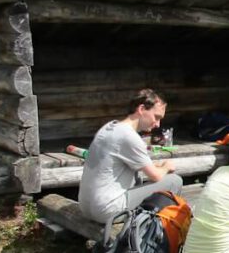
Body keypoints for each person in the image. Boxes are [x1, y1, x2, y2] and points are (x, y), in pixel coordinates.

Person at [78, 89, 181, 223]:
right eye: (156, 117)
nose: (157, 124)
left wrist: (155, 166)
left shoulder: (109, 127)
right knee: (174, 180)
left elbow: (124, 163)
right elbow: (156, 176)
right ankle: (157, 230)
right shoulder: (129, 136)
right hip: (107, 210)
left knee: (139, 175)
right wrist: (166, 167)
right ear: (142, 109)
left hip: (86, 207)